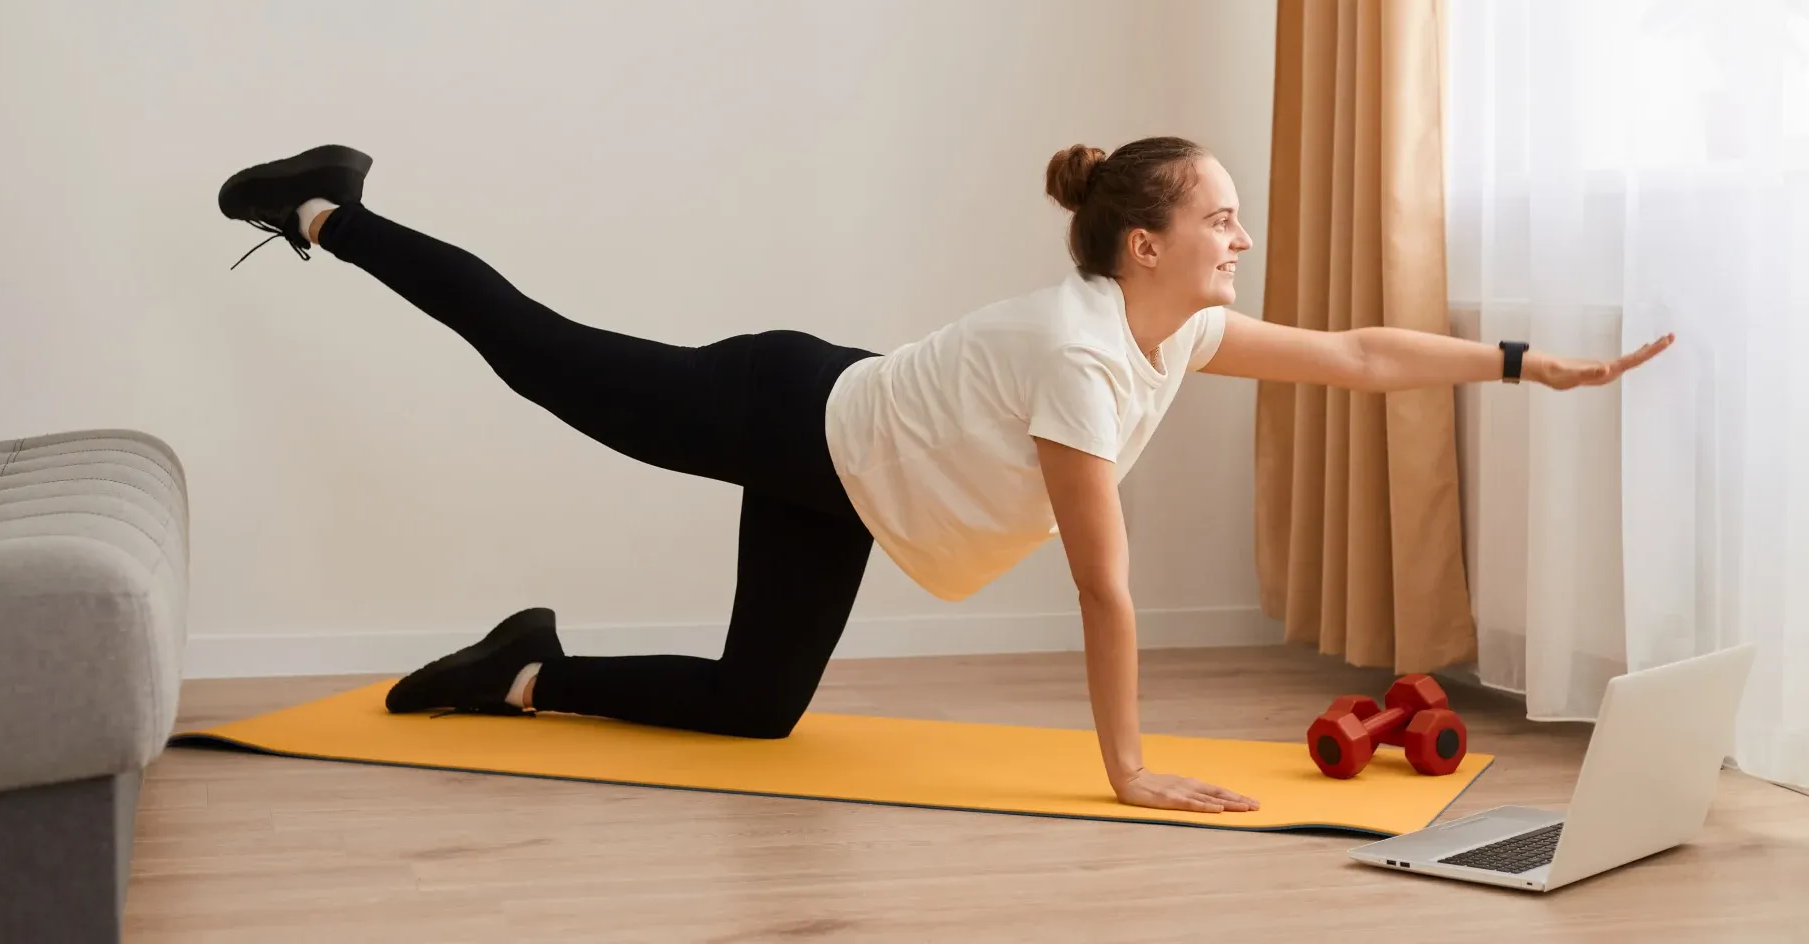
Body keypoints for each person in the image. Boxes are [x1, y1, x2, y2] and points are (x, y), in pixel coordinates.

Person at [214, 138, 1673, 815]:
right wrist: (1130, 771)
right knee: (540, 353)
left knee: (753, 713)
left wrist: (1520, 364)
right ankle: (328, 210)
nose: (1242, 237)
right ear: (1143, 243)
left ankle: (516, 674)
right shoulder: (1084, 359)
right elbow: (1104, 587)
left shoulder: (1181, 330)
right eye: (1222, 219)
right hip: (786, 409)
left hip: (850, 471)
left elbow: (1356, 354)